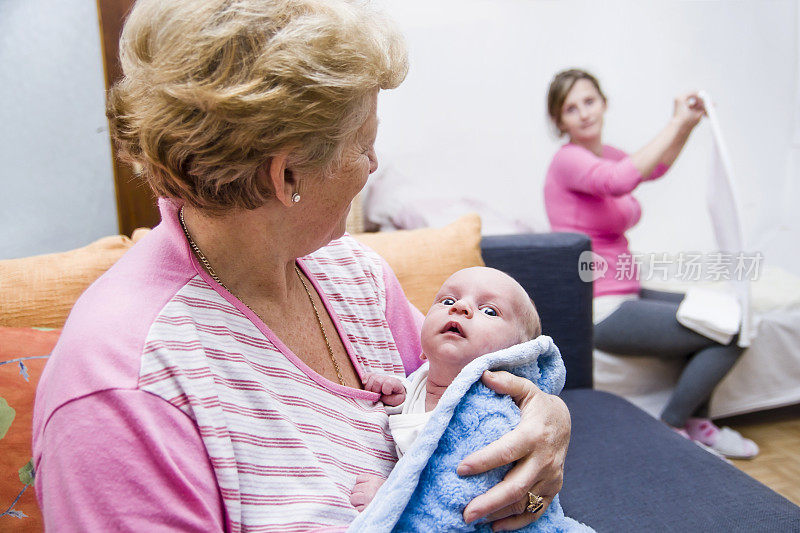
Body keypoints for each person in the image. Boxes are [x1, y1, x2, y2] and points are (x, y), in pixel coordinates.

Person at [31, 1, 572, 531]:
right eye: (366, 143)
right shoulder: (124, 391)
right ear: (286, 174)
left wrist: (546, 418)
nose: (373, 165)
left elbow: (464, 394)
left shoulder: (354, 274)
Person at [543, 68, 757, 459]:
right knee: (730, 327)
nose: (584, 113)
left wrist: (686, 125)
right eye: (571, 108)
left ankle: (695, 423)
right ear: (560, 121)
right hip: (600, 307)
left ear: (604, 103)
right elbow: (618, 181)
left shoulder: (607, 155)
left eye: (589, 101)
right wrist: (676, 121)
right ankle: (674, 425)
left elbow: (653, 167)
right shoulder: (568, 161)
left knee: (735, 313)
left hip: (629, 290)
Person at [350, 266, 542, 510]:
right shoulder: (420, 379)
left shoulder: (492, 415)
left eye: (490, 311)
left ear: (516, 356)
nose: (460, 307)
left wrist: (392, 497)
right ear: (422, 349)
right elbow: (418, 420)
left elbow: (464, 487)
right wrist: (400, 400)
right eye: (448, 300)